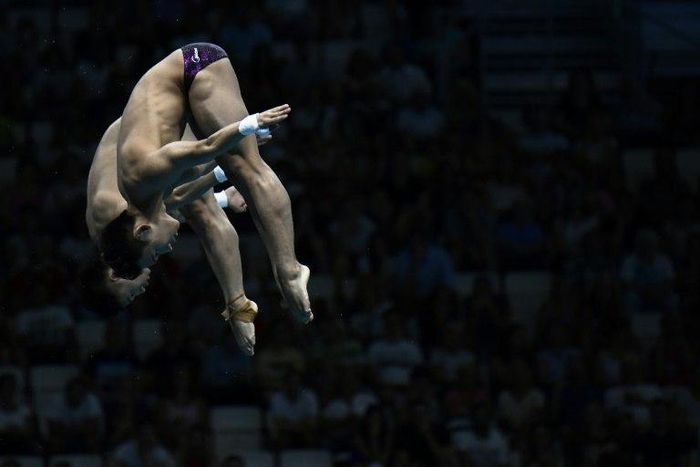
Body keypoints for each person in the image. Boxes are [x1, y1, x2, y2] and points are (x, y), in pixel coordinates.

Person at [110, 42, 312, 324]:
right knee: (234, 166)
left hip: (196, 66)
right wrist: (222, 182)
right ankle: (284, 274)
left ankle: (289, 272)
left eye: (156, 251)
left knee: (245, 168)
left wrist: (251, 124)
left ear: (143, 231)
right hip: (183, 98)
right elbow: (187, 186)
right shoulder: (149, 201)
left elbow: (203, 149)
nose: (167, 251)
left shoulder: (143, 175)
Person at [85, 119, 256, 354]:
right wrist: (223, 194)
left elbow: (173, 195)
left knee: (208, 222)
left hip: (152, 126)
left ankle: (239, 306)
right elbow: (167, 211)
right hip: (146, 140)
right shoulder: (113, 238)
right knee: (193, 214)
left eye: (132, 292)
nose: (141, 291)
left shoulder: (110, 211)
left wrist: (227, 153)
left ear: (115, 276)